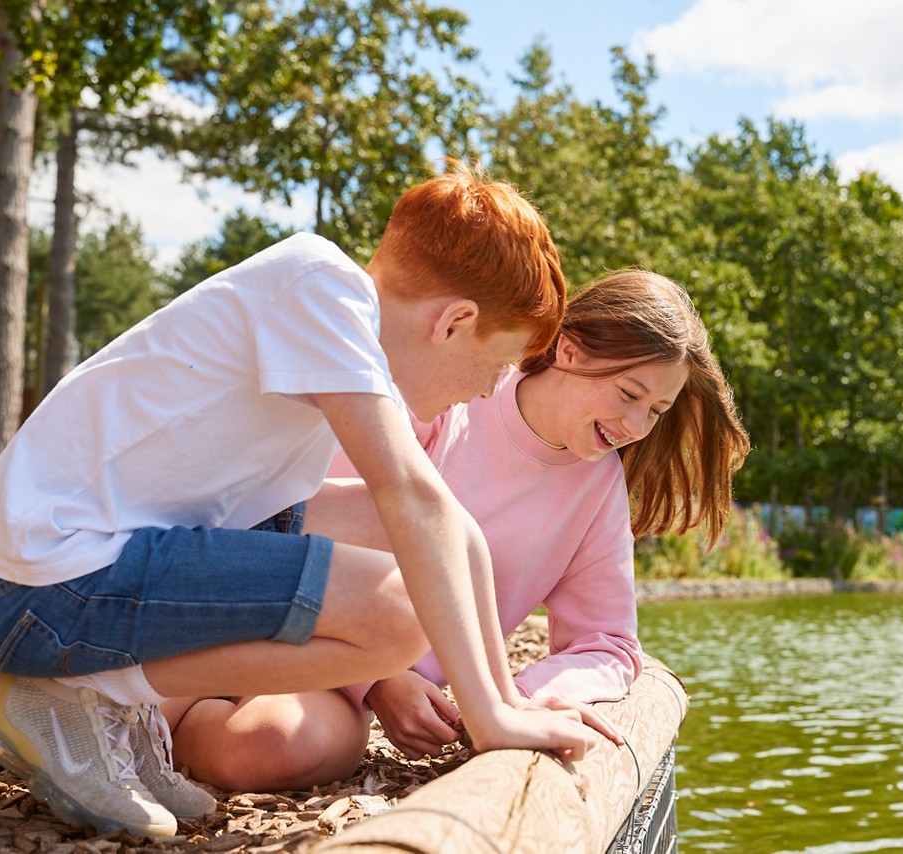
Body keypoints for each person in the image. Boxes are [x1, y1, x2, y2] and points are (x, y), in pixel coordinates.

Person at [0, 166, 616, 838]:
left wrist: (500, 702)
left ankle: (101, 706)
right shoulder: (321, 287)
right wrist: (494, 724)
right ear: (454, 321)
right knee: (398, 618)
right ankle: (85, 696)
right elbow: (410, 495)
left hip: (48, 576)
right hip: (30, 590)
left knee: (402, 535)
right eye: (496, 364)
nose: (485, 389)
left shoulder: (326, 338)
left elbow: (445, 521)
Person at [158, 268, 752, 791]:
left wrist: (520, 695)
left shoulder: (598, 491)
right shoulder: (455, 391)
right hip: (297, 622)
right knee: (150, 683)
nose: (636, 425)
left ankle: (172, 736)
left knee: (271, 747)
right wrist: (382, 680)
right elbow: (312, 524)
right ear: (570, 350)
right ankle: (146, 723)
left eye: (656, 411)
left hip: (332, 688)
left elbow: (609, 644)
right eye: (629, 394)